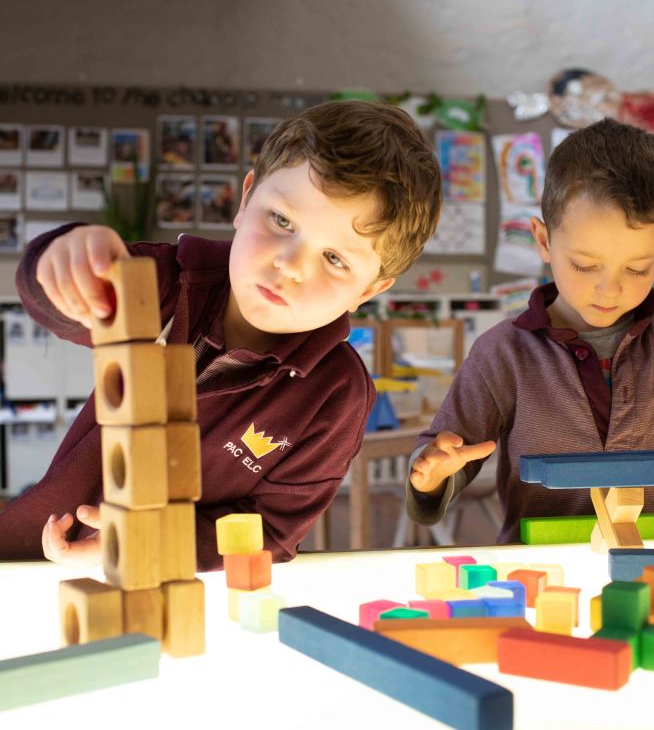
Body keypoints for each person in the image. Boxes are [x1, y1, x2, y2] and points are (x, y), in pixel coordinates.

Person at [0, 100, 441, 569]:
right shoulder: (171, 280)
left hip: (186, 591)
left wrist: (154, 544)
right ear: (246, 199)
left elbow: (272, 531)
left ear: (369, 289)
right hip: (37, 555)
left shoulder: (337, 395)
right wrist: (57, 260)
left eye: (335, 259)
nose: (289, 266)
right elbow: (63, 305)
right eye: (282, 221)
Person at [406, 117, 654, 542]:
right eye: (586, 265)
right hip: (540, 566)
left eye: (639, 267)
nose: (612, 288)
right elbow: (444, 457)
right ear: (544, 240)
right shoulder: (504, 352)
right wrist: (431, 475)